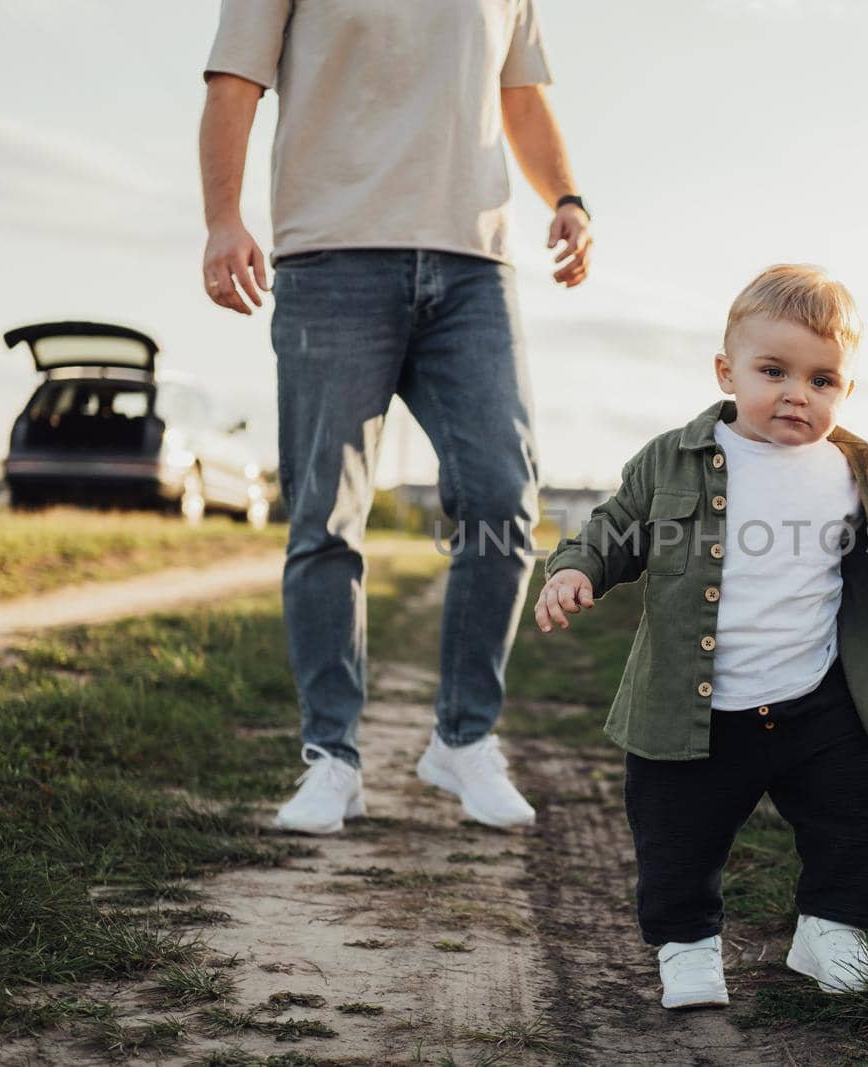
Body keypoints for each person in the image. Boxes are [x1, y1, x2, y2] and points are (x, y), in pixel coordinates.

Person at [198, 0, 592, 833]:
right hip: (330, 258)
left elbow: (519, 95)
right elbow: (234, 83)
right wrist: (222, 220)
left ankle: (462, 738)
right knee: (325, 516)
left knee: (502, 498)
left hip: (475, 268)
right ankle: (331, 757)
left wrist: (567, 195)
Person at [533, 265, 868, 1008]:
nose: (797, 393)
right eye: (774, 370)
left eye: (822, 379)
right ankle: (687, 946)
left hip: (819, 699)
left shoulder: (850, 470)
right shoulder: (674, 458)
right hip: (697, 704)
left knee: (859, 815)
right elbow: (613, 528)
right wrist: (576, 570)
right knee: (678, 837)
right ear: (728, 371)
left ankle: (830, 930)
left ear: (846, 391)